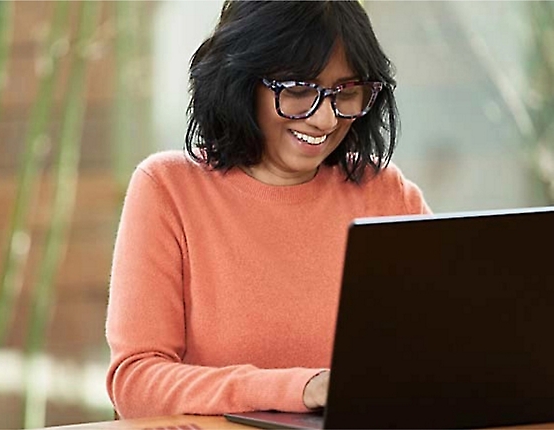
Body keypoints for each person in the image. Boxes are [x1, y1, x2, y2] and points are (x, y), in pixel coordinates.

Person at [105, 0, 431, 419]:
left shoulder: (386, 195)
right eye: (298, 91)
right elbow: (136, 381)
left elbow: (442, 351)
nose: (326, 118)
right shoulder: (168, 189)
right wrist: (300, 388)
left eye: (346, 93)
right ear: (239, 82)